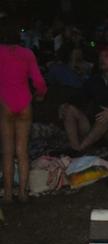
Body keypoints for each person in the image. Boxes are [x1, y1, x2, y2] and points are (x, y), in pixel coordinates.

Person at [0, 19, 47, 203]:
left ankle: (8, 195)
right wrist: (40, 95)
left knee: (7, 151)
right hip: (25, 103)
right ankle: (23, 193)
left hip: (5, 104)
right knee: (22, 150)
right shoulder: (27, 53)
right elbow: (40, 82)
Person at [59, 46, 108, 152]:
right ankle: (75, 146)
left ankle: (79, 149)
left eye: (106, 56)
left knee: (105, 117)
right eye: (100, 56)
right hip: (93, 128)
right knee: (69, 109)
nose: (101, 59)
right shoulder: (94, 80)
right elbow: (79, 97)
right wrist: (66, 104)